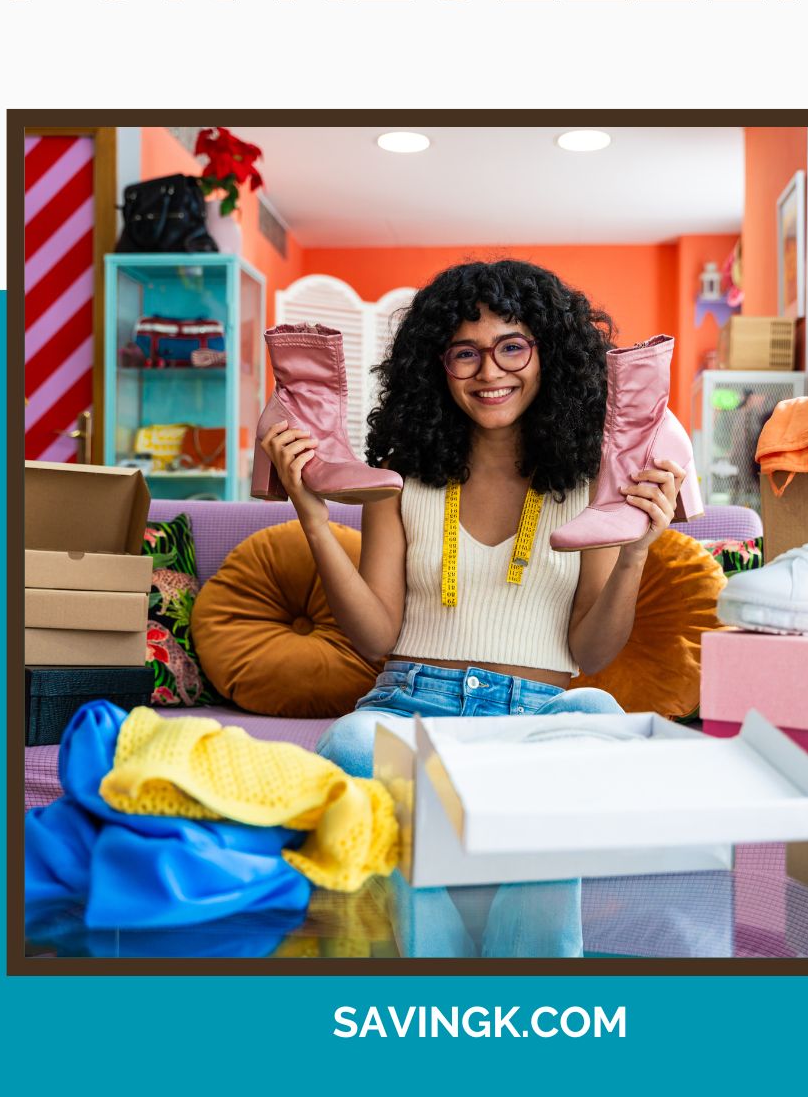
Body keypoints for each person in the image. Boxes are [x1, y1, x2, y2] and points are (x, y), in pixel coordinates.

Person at [259, 259, 686, 778]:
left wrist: (635, 552)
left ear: (549, 355)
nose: (489, 373)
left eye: (512, 347)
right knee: (351, 740)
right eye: (465, 353)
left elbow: (591, 654)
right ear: (436, 367)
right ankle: (502, 841)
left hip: (537, 719)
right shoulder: (397, 478)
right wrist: (315, 522)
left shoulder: (593, 488)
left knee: (599, 713)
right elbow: (374, 638)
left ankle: (465, 837)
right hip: (409, 707)